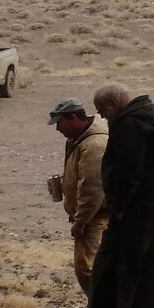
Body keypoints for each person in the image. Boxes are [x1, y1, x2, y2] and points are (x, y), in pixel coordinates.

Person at [76, 84, 154, 308]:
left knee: (110, 267)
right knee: (148, 268)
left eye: (102, 112)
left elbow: (128, 172)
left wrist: (118, 207)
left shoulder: (130, 125)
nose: (104, 118)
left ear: (112, 104)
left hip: (136, 209)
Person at [49, 98, 110, 296]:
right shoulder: (79, 140)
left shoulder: (93, 144)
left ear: (73, 118)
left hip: (96, 216)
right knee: (87, 269)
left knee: (89, 270)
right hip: (91, 215)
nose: (58, 129)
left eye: (60, 123)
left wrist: (81, 220)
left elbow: (92, 187)